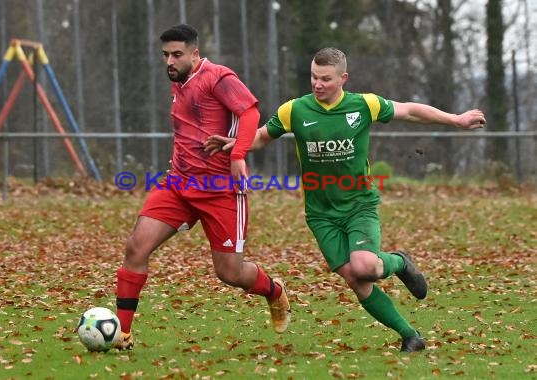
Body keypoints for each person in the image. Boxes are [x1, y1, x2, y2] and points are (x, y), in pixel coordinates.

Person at [205, 47, 486, 352]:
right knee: (356, 278)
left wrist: (456, 120)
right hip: (320, 213)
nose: (317, 84)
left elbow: (409, 110)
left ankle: (400, 262)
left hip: (359, 206)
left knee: (365, 266)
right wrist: (238, 145)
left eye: (325, 78)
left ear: (343, 78)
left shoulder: (363, 105)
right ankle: (410, 336)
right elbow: (263, 135)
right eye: (314, 77)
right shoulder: (295, 110)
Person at [113, 24, 291, 350]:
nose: (170, 60)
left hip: (221, 190)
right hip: (179, 185)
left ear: (194, 54)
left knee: (230, 273)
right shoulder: (180, 84)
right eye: (166, 54)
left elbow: (250, 112)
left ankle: (274, 291)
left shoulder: (218, 77)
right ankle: (121, 335)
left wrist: (238, 155)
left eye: (177, 54)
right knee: (136, 248)